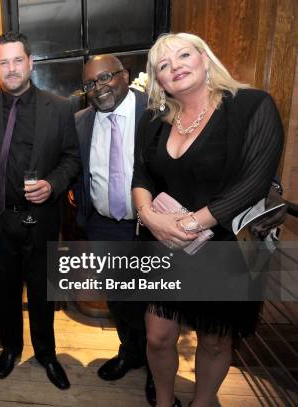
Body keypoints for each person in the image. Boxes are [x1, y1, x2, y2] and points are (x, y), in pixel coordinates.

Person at [132, 32, 283, 407]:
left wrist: (191, 224)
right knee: (157, 336)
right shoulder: (154, 119)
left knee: (214, 339)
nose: (175, 67)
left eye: (183, 55)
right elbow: (142, 175)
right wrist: (149, 216)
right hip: (165, 246)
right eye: (163, 65)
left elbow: (255, 182)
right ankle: (165, 401)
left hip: (225, 249)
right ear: (158, 80)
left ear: (204, 58)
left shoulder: (251, 105)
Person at [0, 31, 80, 390]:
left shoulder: (60, 106)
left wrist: (53, 184)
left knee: (42, 289)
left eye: (18, 60)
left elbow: (71, 158)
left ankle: (47, 354)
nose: (11, 68)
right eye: (4, 62)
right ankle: (11, 348)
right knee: (5, 289)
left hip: (42, 216)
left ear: (31, 63)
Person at [73, 54, 154, 404]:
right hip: (105, 226)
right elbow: (73, 163)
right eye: (90, 83)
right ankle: (131, 352)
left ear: (125, 76)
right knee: (120, 299)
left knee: (156, 303)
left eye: (105, 77)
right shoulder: (81, 121)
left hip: (152, 226)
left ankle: (157, 366)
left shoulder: (155, 111)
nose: (98, 87)